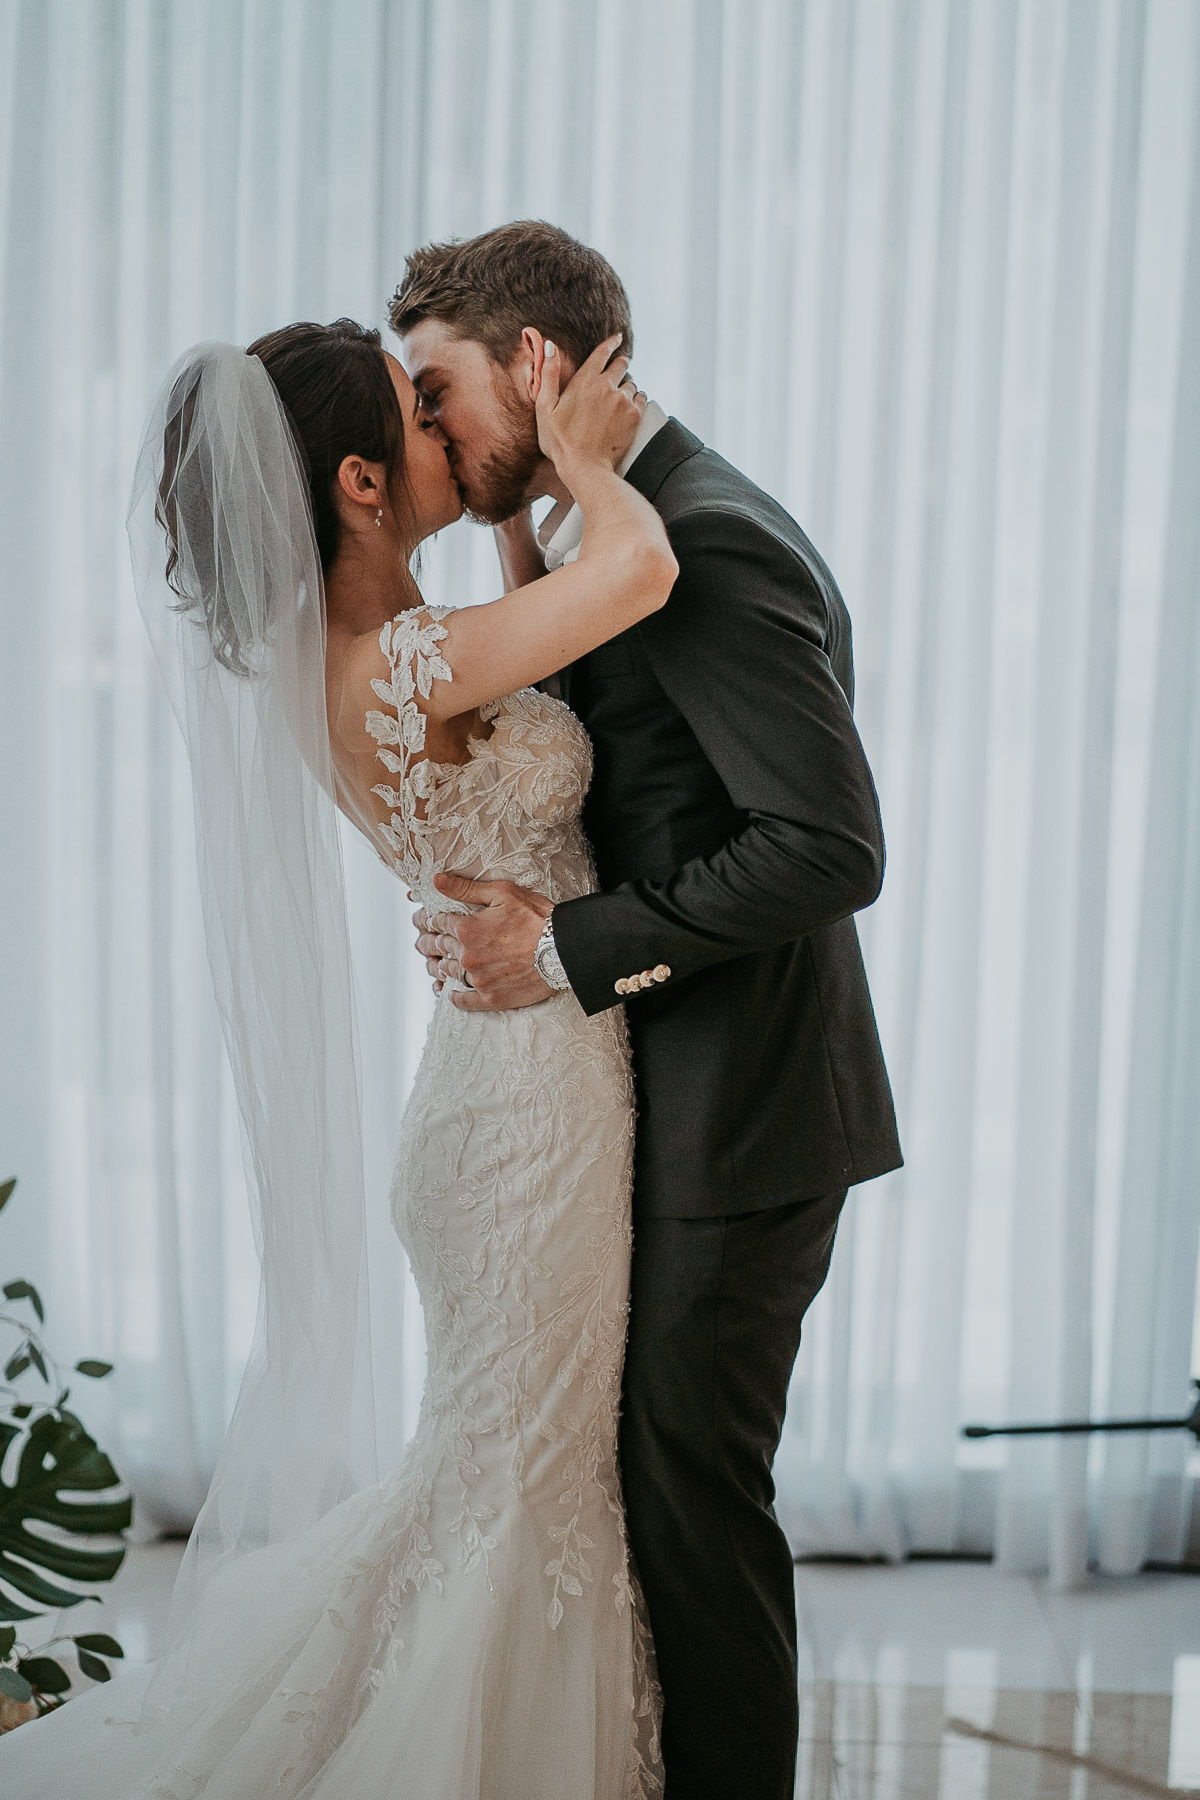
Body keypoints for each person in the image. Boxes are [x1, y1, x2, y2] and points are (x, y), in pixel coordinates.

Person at [0, 320, 673, 1797]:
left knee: (493, 1490)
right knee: (522, 1501)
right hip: (527, 1119)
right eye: (421, 415)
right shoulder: (397, 663)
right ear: (362, 482)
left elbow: (528, 696)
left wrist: (513, 537)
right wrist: (580, 461)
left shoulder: (380, 657)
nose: (453, 427)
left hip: (502, 1099)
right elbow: (641, 577)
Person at [392, 221, 903, 1800]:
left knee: (694, 1515)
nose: (422, 429)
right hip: (686, 1106)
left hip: (744, 1122)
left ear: (536, 368)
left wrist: (569, 948)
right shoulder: (652, 522)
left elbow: (829, 846)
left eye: (438, 389)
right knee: (656, 1505)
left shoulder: (709, 541)